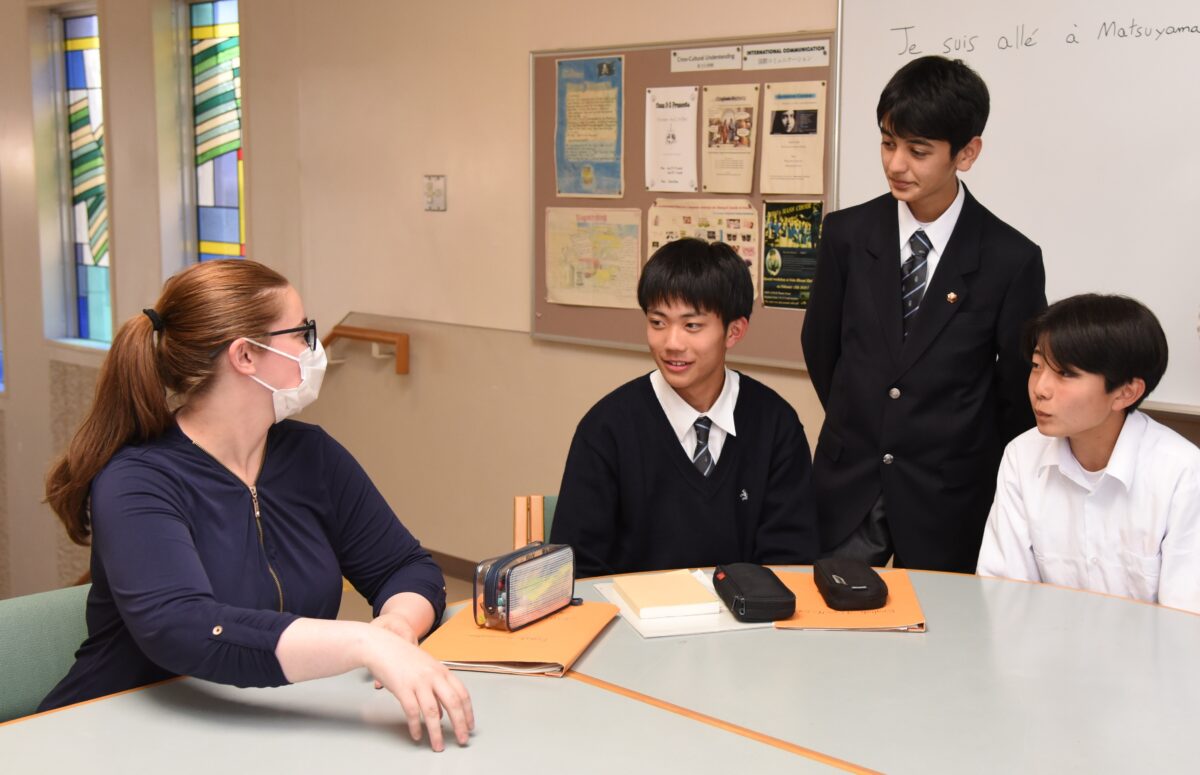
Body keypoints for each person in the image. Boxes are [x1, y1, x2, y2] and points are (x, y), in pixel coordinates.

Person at [40, 260, 473, 751]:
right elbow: (187, 628)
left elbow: (405, 565)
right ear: (245, 355)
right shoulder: (136, 480)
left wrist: (395, 625)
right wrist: (362, 643)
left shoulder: (311, 454)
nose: (313, 349)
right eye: (300, 332)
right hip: (110, 735)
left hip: (264, 726)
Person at [801, 55, 1046, 572]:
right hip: (850, 483)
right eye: (888, 143)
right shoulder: (847, 235)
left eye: (918, 150)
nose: (895, 164)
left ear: (967, 152)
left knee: (942, 639)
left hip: (948, 495)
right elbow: (822, 348)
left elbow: (1015, 391)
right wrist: (869, 422)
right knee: (825, 627)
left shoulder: (1010, 259)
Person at [550, 238, 819, 578]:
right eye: (658, 322)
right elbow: (577, 568)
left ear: (734, 331)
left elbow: (790, 563)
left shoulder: (775, 424)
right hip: (633, 624)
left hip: (747, 623)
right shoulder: (606, 428)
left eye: (692, 326)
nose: (671, 344)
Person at [977, 295, 1200, 612]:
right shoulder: (1022, 455)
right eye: (1037, 367)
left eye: (1065, 374)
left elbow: (1186, 620)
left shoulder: (1182, 472)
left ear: (1126, 392)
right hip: (1040, 655)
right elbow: (1002, 594)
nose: (1040, 388)